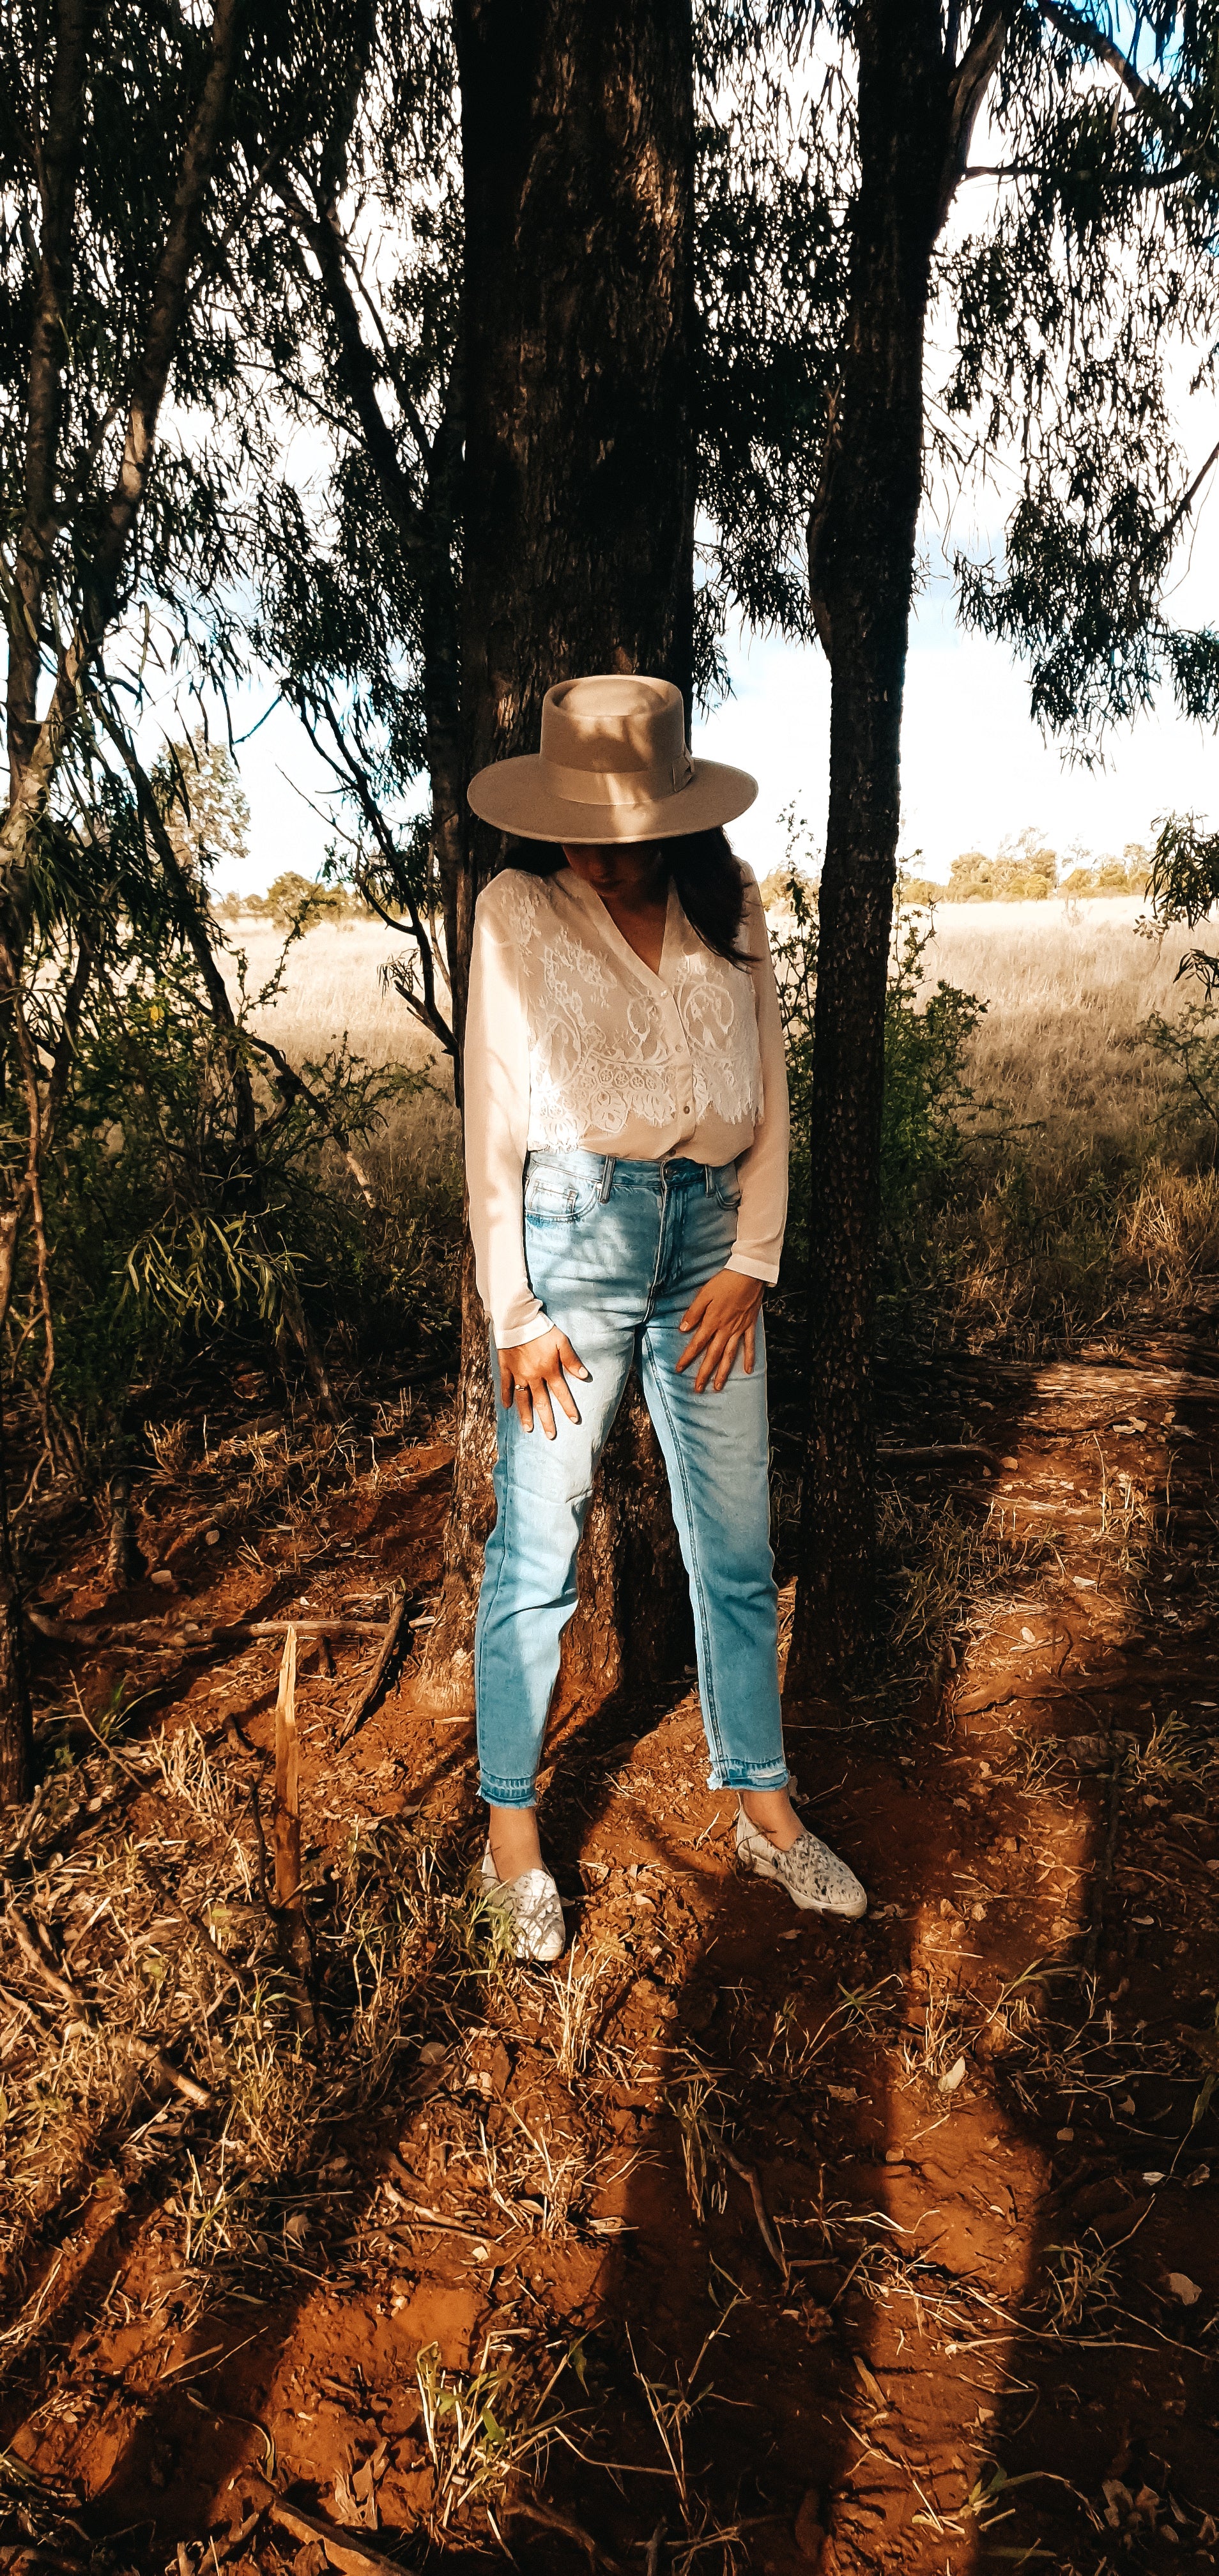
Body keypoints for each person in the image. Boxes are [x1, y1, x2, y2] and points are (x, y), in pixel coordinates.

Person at [463, 673, 867, 1959]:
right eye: (578, 814)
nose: (597, 842)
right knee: (541, 1549)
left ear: (678, 817)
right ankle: (513, 1834)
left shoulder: (731, 904)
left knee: (738, 1543)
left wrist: (754, 1255)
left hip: (711, 1248)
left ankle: (761, 1801)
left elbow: (772, 1093)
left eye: (622, 818)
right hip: (572, 1241)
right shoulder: (517, 910)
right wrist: (512, 1308)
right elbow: (493, 1126)